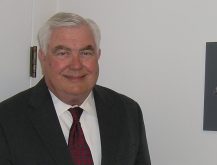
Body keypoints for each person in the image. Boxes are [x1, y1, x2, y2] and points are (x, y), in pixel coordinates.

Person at [0, 12, 151, 165]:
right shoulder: (7, 120)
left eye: (86, 53)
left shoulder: (127, 112)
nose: (76, 65)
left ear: (98, 56)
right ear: (42, 57)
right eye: (63, 53)